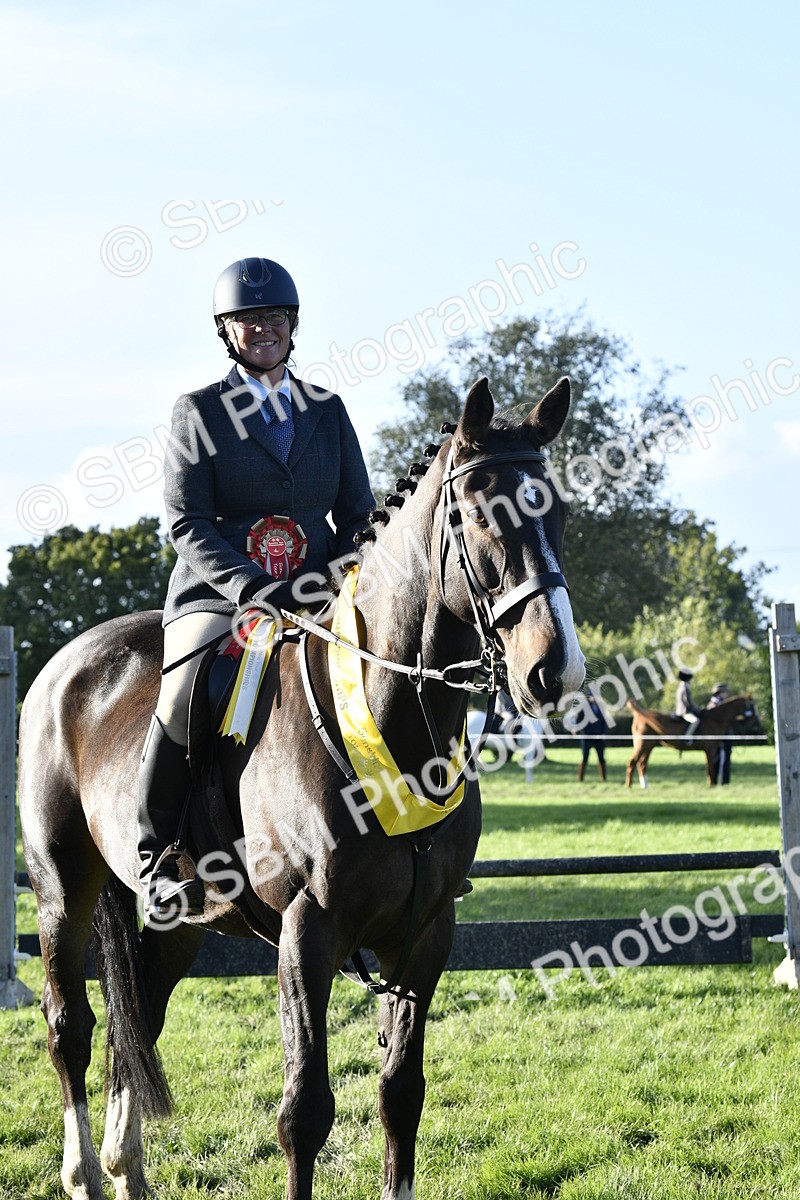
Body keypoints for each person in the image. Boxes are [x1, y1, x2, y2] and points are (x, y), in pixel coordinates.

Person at [137, 257, 375, 914]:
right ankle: (157, 853)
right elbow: (186, 520)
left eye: (273, 318)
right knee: (186, 688)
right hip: (220, 595)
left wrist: (330, 580)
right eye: (249, 320)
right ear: (227, 331)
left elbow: (358, 514)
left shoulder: (327, 411)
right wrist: (249, 587)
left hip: (319, 593)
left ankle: (407, 845)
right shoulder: (201, 411)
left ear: (292, 325)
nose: (263, 329)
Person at [578, 688, 610, 781]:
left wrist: (604, 733)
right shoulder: (584, 708)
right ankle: (580, 779)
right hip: (587, 737)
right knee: (585, 758)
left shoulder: (601, 708)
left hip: (599, 737)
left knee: (601, 759)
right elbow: (579, 721)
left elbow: (604, 722)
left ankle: (604, 779)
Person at [707, 681, 733, 784]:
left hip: (721, 735)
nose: (727, 694)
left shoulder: (716, 703)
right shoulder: (716, 704)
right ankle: (722, 781)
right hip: (720, 735)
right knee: (722, 759)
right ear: (720, 692)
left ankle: (719, 781)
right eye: (725, 692)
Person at [675, 668, 702, 746]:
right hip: (684, 712)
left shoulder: (681, 686)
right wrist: (696, 709)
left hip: (682, 710)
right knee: (695, 721)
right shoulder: (685, 687)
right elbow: (688, 702)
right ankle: (687, 737)